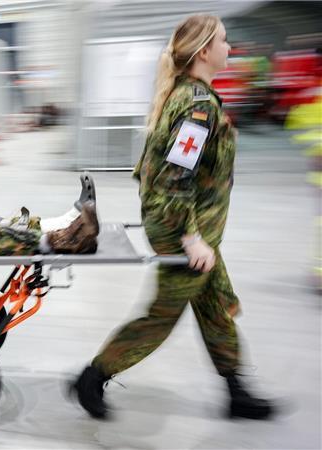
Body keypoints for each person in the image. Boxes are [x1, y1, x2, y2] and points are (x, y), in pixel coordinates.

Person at [71, 15, 273, 420]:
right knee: (163, 315)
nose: (230, 48)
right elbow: (175, 178)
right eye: (224, 41)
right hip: (182, 230)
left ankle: (237, 392)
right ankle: (93, 376)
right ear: (203, 52)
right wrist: (190, 238)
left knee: (215, 305)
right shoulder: (197, 107)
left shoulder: (192, 96)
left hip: (193, 230)